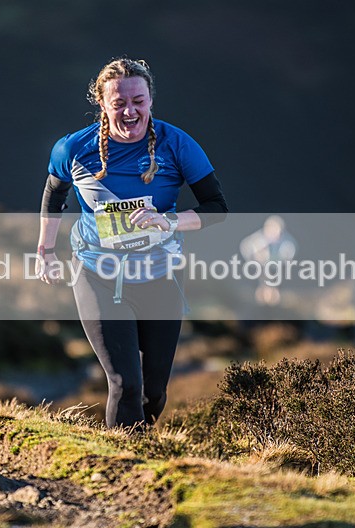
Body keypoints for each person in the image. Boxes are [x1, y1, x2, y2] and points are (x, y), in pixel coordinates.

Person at [36, 57, 228, 428]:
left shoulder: (178, 145)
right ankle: (122, 467)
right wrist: (44, 251)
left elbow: (217, 208)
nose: (129, 111)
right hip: (97, 274)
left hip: (160, 276)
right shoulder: (73, 149)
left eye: (138, 101)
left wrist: (168, 221)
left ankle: (140, 450)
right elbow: (53, 198)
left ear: (151, 100)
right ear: (103, 104)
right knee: (124, 382)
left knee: (152, 392)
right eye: (119, 102)